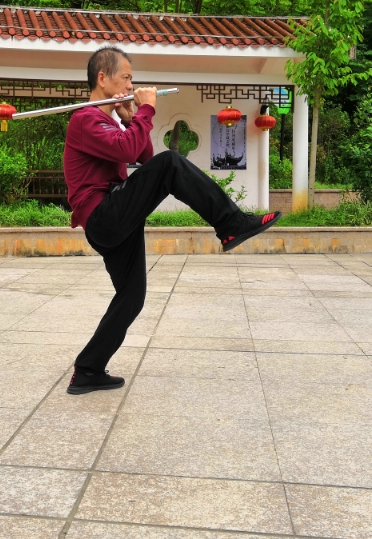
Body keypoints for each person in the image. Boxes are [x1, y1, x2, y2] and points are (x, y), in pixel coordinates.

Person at [64, 46, 282, 395]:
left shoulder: (108, 120)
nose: (131, 84)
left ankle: (88, 369)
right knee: (172, 163)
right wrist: (147, 108)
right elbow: (133, 154)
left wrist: (134, 114)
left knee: (132, 298)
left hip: (119, 215)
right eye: (127, 78)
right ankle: (231, 224)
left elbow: (142, 155)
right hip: (104, 216)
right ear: (102, 78)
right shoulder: (85, 119)